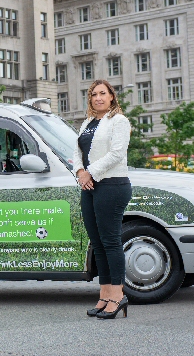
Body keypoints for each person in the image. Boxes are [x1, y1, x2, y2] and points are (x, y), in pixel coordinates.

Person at [73, 79, 132, 320]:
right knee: (97, 243)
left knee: (110, 241)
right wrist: (80, 173)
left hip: (112, 184)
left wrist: (91, 172)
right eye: (94, 94)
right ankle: (104, 295)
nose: (98, 98)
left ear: (111, 97)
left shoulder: (119, 121)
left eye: (102, 94)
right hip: (90, 186)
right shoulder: (87, 123)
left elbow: (117, 153)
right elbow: (77, 152)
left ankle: (118, 296)